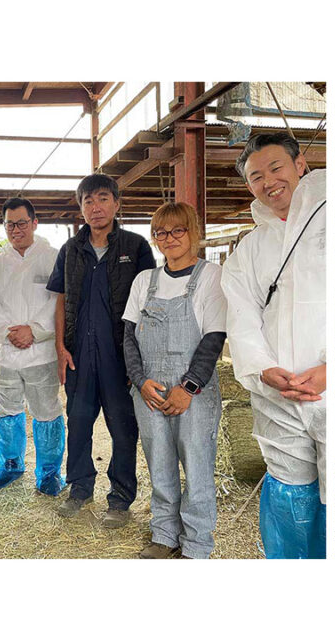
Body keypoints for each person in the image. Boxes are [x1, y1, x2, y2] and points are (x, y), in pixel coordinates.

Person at [220, 132, 326, 559]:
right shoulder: (250, 247)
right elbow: (241, 316)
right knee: (289, 488)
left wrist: (331, 369)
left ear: (300, 164)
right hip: (278, 393)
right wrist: (263, 367)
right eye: (256, 177)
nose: (268, 182)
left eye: (275, 168)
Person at [46, 174, 155, 527]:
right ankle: (79, 489)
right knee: (78, 423)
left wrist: (139, 360)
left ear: (117, 204)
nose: (96, 207)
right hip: (79, 353)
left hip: (120, 354)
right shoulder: (70, 251)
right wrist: (61, 348)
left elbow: (147, 304)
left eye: (103, 198)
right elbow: (61, 300)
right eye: (88, 201)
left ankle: (120, 499)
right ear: (80, 208)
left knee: (123, 428)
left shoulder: (135, 247)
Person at [123, 203, 226, 559]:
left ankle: (197, 544)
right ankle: (164, 534)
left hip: (192, 392)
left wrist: (190, 388)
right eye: (161, 233)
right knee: (160, 464)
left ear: (193, 232)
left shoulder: (210, 276)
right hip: (150, 390)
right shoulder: (144, 281)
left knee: (197, 467)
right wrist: (140, 381)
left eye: (177, 230)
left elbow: (214, 337)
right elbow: (129, 337)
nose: (169, 239)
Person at [0, 197, 65, 495]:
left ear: (35, 223)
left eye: (22, 223)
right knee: (6, 410)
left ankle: (50, 474)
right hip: (7, 354)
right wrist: (9, 333)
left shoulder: (53, 257)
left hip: (41, 353)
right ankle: (9, 466)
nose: (16, 230)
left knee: (46, 411)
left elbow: (58, 302)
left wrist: (36, 331)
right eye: (9, 224)